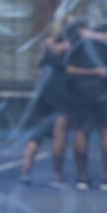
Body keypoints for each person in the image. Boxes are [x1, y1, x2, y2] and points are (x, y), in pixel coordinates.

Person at [64, 14, 107, 191]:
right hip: (105, 90)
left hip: (84, 90)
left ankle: (83, 177)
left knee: (83, 131)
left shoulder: (78, 39)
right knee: (106, 132)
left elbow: (69, 68)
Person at [18, 24, 72, 186]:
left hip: (51, 92)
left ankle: (28, 172)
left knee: (43, 134)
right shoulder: (66, 45)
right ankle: (54, 174)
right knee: (53, 133)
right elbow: (40, 67)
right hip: (56, 93)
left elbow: (40, 68)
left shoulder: (56, 45)